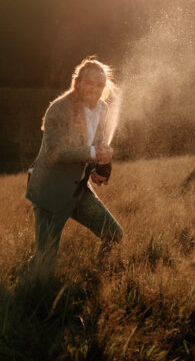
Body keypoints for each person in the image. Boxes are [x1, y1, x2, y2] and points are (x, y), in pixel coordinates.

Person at [25, 56, 123, 271]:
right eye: (90, 83)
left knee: (114, 234)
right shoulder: (58, 109)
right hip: (49, 190)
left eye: (100, 85)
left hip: (79, 190)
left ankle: (96, 277)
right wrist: (93, 153)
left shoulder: (103, 109)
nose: (95, 89)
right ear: (78, 82)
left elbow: (95, 144)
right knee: (46, 260)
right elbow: (54, 153)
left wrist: (103, 166)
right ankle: (28, 286)